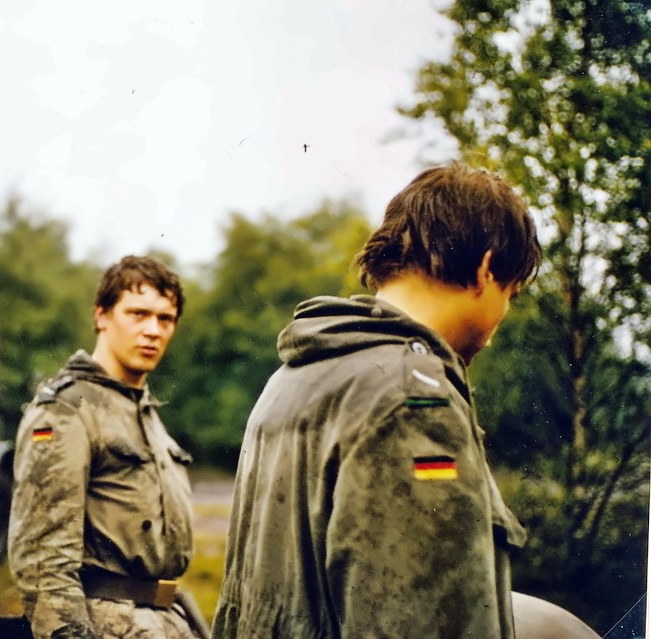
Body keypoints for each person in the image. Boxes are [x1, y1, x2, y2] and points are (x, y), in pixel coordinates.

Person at [211, 164, 543, 638]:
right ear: (485, 269)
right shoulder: (413, 400)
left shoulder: (291, 377)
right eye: (510, 293)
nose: (502, 315)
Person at [8, 255, 205, 639]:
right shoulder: (67, 408)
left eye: (165, 319)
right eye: (138, 314)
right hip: (106, 624)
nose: (153, 330)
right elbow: (43, 563)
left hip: (164, 622)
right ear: (102, 315)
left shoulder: (142, 411)